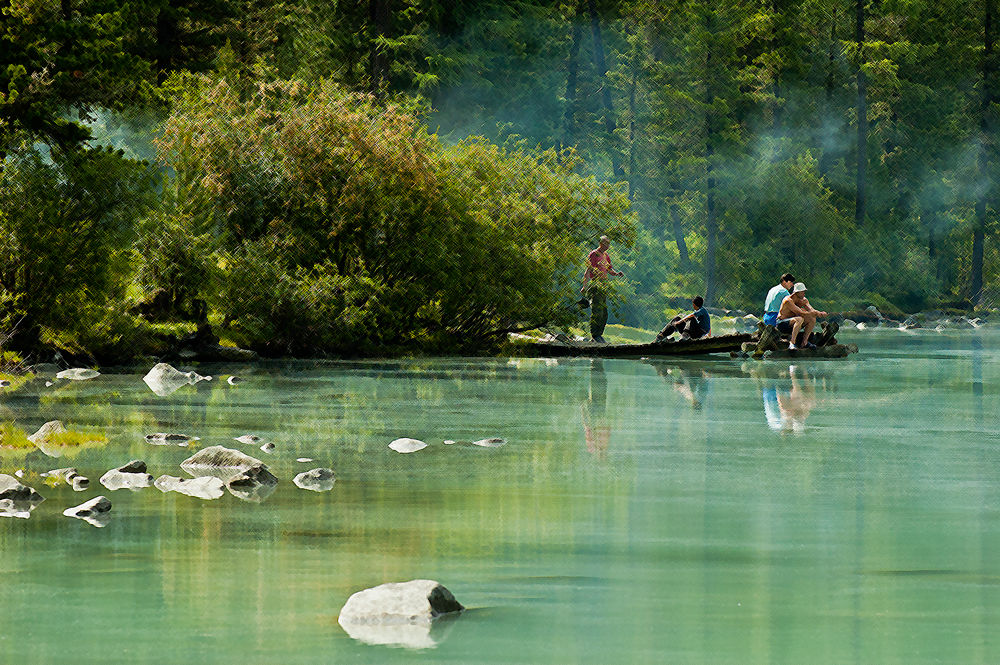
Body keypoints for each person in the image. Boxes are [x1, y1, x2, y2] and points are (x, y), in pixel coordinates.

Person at [580, 236, 624, 343]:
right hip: (595, 285)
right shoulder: (594, 254)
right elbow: (588, 270)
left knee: (604, 313)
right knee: (597, 311)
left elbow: (609, 269)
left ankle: (599, 335)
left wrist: (616, 273)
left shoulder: (606, 256)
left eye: (608, 244)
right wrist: (584, 286)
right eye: (605, 243)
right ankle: (595, 335)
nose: (607, 246)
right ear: (600, 243)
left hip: (604, 286)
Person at [776, 282, 828, 350]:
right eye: (802, 291)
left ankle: (804, 342)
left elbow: (811, 310)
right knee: (799, 319)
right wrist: (815, 313)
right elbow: (801, 313)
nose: (804, 293)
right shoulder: (788, 300)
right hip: (782, 324)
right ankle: (792, 343)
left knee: (812, 319)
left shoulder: (804, 300)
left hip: (794, 324)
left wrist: (820, 313)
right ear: (796, 292)